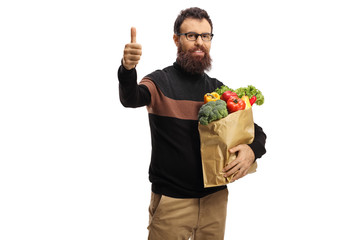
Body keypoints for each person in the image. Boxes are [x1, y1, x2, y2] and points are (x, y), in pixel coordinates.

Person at [118, 7, 266, 240]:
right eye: (191, 36)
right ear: (177, 39)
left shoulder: (218, 90)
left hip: (215, 202)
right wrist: (127, 70)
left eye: (205, 36)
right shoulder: (159, 82)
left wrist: (252, 150)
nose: (199, 42)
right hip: (172, 203)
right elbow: (131, 98)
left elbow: (253, 130)